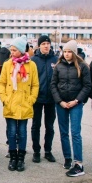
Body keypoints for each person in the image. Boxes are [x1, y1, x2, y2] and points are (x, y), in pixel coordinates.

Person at [50, 39, 92, 177]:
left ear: (74, 52)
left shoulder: (82, 66)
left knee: (75, 132)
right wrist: (60, 101)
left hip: (76, 103)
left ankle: (78, 163)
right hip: (61, 103)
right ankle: (67, 157)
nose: (67, 54)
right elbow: (53, 85)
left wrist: (77, 100)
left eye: (69, 51)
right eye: (65, 51)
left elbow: (87, 86)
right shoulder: (58, 66)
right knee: (64, 132)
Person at [0, 36, 39, 172]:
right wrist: (5, 99)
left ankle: (21, 158)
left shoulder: (31, 65)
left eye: (14, 50)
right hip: (10, 103)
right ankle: (13, 157)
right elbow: (2, 83)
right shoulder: (7, 64)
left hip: (24, 104)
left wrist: (31, 99)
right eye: (11, 50)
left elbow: (35, 85)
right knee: (11, 132)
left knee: (22, 132)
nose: (12, 52)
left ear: (21, 50)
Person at [31, 35, 59, 163]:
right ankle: (36, 151)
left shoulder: (56, 60)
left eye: (48, 43)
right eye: (43, 44)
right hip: (37, 98)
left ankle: (48, 151)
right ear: (39, 46)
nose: (46, 46)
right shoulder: (33, 60)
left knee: (50, 126)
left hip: (51, 99)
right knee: (36, 125)